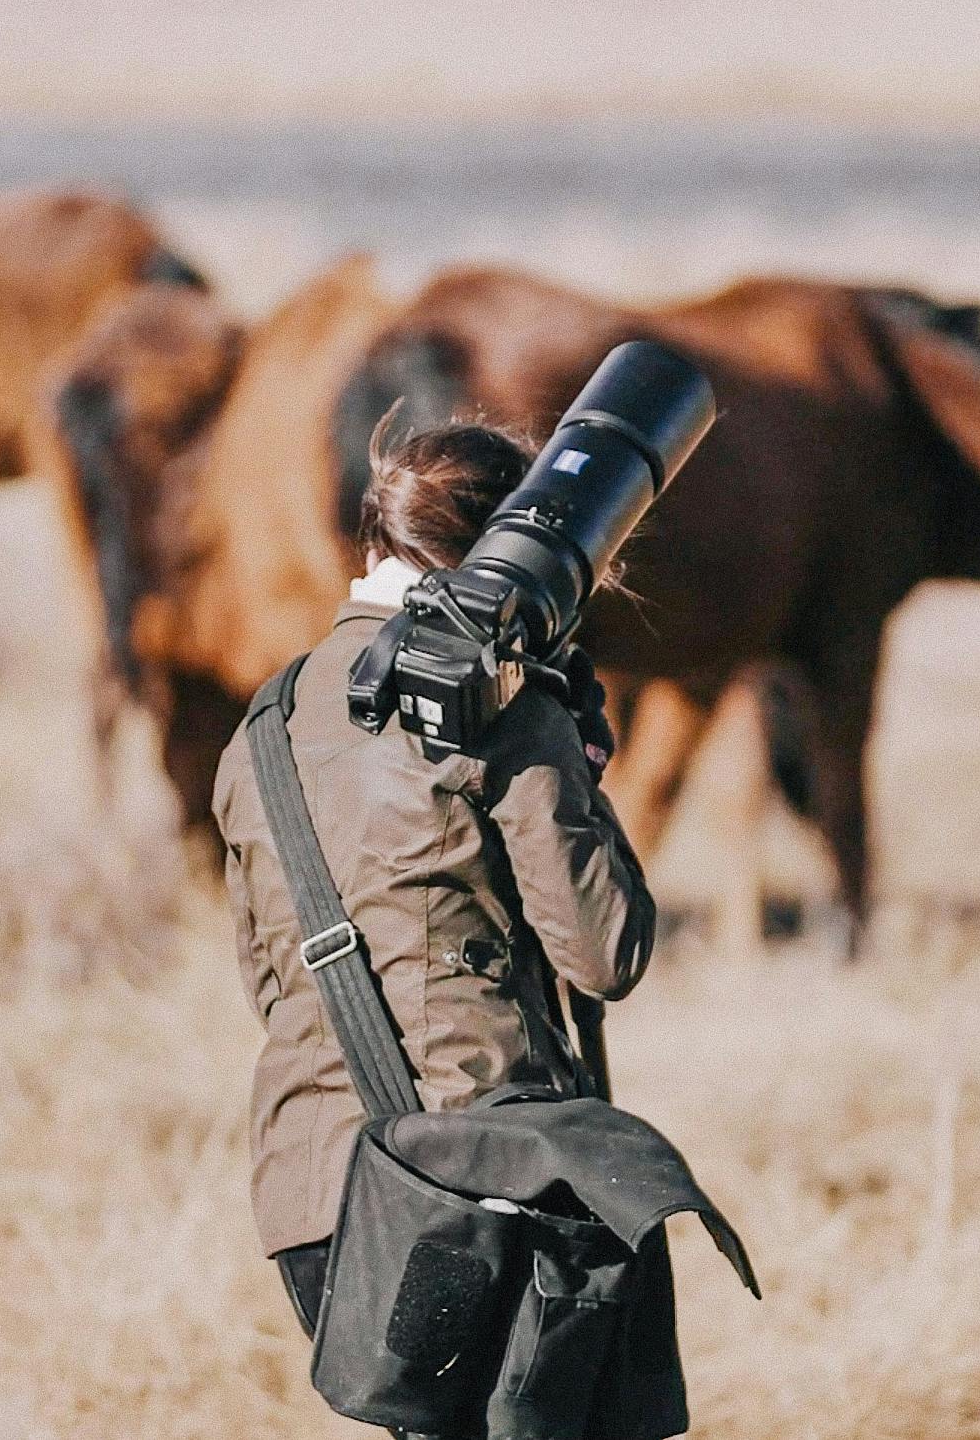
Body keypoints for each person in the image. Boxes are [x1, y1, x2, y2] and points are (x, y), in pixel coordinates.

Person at [212, 420, 657, 1338]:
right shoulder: (505, 709)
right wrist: (572, 762)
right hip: (483, 1185)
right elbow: (607, 952)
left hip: (311, 1196)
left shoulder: (263, 726)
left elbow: (271, 985)